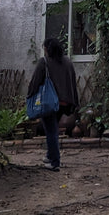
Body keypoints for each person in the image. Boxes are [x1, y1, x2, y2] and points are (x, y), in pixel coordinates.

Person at [27, 37, 79, 171]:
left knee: (51, 131)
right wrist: (74, 102)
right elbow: (73, 82)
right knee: (53, 128)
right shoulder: (67, 62)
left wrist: (29, 96)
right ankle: (50, 155)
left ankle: (55, 162)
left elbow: (35, 81)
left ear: (47, 49)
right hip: (64, 102)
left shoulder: (44, 62)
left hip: (49, 102)